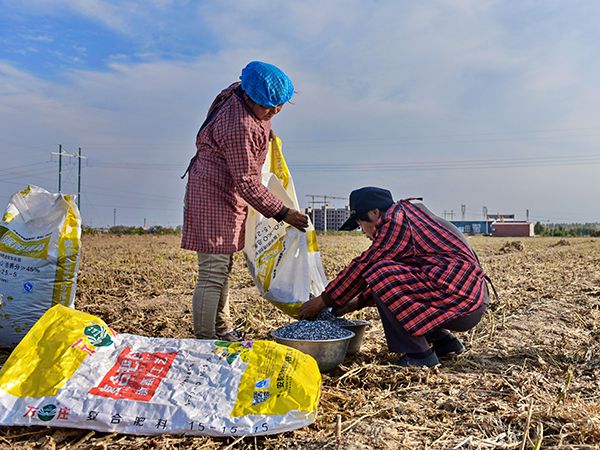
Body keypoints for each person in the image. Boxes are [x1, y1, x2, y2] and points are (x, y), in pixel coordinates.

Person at [182, 61, 309, 341]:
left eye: (279, 106)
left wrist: (266, 133)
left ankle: (222, 328)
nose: (274, 112)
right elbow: (248, 182)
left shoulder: (238, 92)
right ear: (249, 97)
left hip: (224, 192)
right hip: (213, 195)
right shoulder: (239, 125)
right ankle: (205, 341)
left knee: (223, 268)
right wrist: (284, 212)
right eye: (268, 107)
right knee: (213, 272)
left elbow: (259, 123)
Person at [298, 187, 491, 367]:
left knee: (379, 271)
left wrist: (323, 301)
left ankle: (419, 355)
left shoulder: (395, 222)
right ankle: (444, 342)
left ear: (374, 213)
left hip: (461, 302)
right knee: (385, 274)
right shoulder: (408, 215)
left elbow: (365, 268)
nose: (364, 233)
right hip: (468, 299)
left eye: (360, 224)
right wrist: (356, 303)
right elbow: (401, 287)